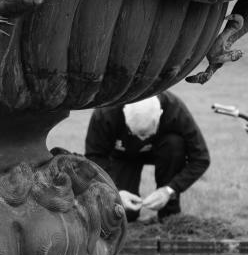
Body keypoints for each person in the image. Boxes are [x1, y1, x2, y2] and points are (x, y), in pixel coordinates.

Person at [85, 91, 210, 221]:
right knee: (125, 213)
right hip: (123, 154)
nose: (141, 139)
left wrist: (169, 190)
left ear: (160, 114)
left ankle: (169, 215)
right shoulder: (106, 112)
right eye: (137, 133)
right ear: (124, 114)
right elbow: (94, 157)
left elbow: (201, 158)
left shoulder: (174, 108)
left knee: (174, 144)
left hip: (163, 150)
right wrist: (116, 191)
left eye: (146, 134)